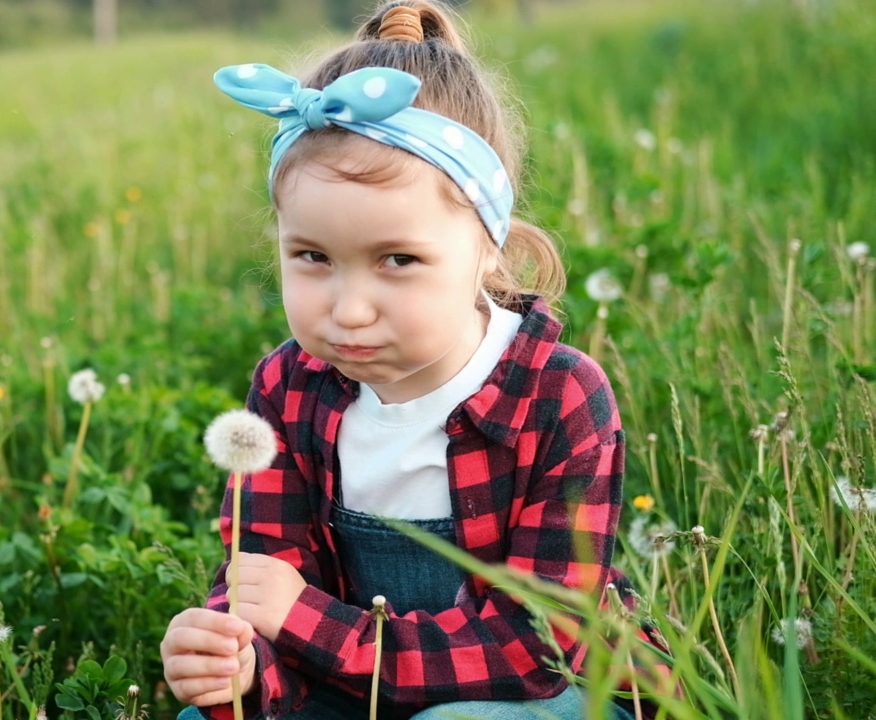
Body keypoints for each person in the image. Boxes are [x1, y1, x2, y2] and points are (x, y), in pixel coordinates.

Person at [160, 2, 670, 718]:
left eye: (397, 259)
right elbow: (262, 578)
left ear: (488, 243)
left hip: (545, 693)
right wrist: (236, 661)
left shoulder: (556, 395)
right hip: (353, 684)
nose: (349, 309)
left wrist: (305, 622)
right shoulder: (287, 387)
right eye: (312, 257)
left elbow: (533, 647)